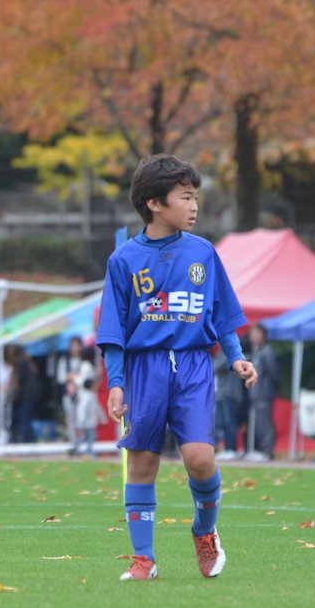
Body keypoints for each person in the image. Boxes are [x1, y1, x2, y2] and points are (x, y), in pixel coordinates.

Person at [96, 154, 257, 582]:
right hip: (143, 370)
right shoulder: (123, 260)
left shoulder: (203, 252)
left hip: (193, 367)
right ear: (154, 203)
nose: (194, 206)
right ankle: (144, 558)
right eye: (185, 197)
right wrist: (116, 383)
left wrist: (237, 356)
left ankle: (204, 532)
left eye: (195, 197)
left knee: (200, 460)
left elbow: (222, 314)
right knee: (143, 462)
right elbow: (113, 331)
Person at [245, 324, 278, 461]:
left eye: (255, 333)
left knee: (265, 423)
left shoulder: (267, 351)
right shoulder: (256, 351)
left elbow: (273, 373)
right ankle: (261, 449)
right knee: (258, 423)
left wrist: (270, 389)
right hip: (255, 394)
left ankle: (268, 451)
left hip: (264, 394)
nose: (252, 336)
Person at [55, 336, 96, 440]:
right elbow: (60, 378)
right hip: (69, 394)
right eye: (73, 346)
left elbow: (88, 379)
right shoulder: (64, 361)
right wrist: (70, 377)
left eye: (77, 346)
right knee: (70, 420)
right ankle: (74, 443)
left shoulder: (85, 362)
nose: (75, 349)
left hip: (82, 395)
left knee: (82, 420)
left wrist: (74, 377)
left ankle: (83, 443)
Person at [212, 348, 244, 461]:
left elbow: (216, 366)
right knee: (222, 423)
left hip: (230, 393)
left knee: (230, 422)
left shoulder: (231, 351)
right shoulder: (221, 352)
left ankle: (231, 449)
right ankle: (226, 449)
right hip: (221, 393)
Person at [4, 344, 40, 443]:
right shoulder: (25, 362)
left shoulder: (21, 363)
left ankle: (28, 442)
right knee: (26, 420)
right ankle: (29, 441)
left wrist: (12, 393)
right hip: (27, 396)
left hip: (26, 396)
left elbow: (18, 382)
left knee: (25, 420)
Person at [68, 377, 107, 457]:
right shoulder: (87, 396)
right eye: (94, 385)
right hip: (87, 422)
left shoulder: (91, 395)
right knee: (90, 437)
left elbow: (97, 408)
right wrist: (82, 420)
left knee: (86, 437)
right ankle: (88, 451)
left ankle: (76, 449)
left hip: (89, 422)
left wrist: (103, 419)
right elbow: (82, 408)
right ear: (90, 386)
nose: (96, 386)